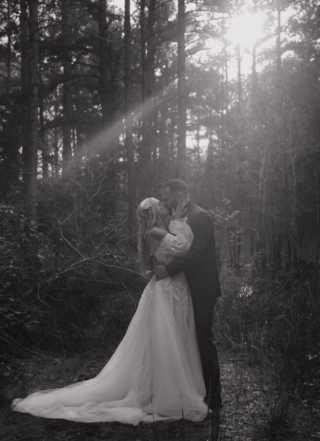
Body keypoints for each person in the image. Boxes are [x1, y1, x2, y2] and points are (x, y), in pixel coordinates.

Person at [12, 198, 208, 424]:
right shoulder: (155, 232)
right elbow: (183, 246)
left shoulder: (157, 231)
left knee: (173, 337)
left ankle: (171, 387)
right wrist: (176, 221)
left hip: (174, 286)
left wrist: (173, 223)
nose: (166, 206)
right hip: (167, 289)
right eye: (161, 205)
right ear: (155, 211)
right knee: (165, 340)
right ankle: (167, 393)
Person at [154, 179, 222, 411]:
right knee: (185, 339)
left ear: (181, 194)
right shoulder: (178, 217)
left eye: (168, 199)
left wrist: (168, 270)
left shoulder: (200, 217)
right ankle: (193, 390)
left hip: (202, 289)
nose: (165, 202)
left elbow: (197, 255)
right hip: (182, 289)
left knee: (203, 339)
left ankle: (214, 397)